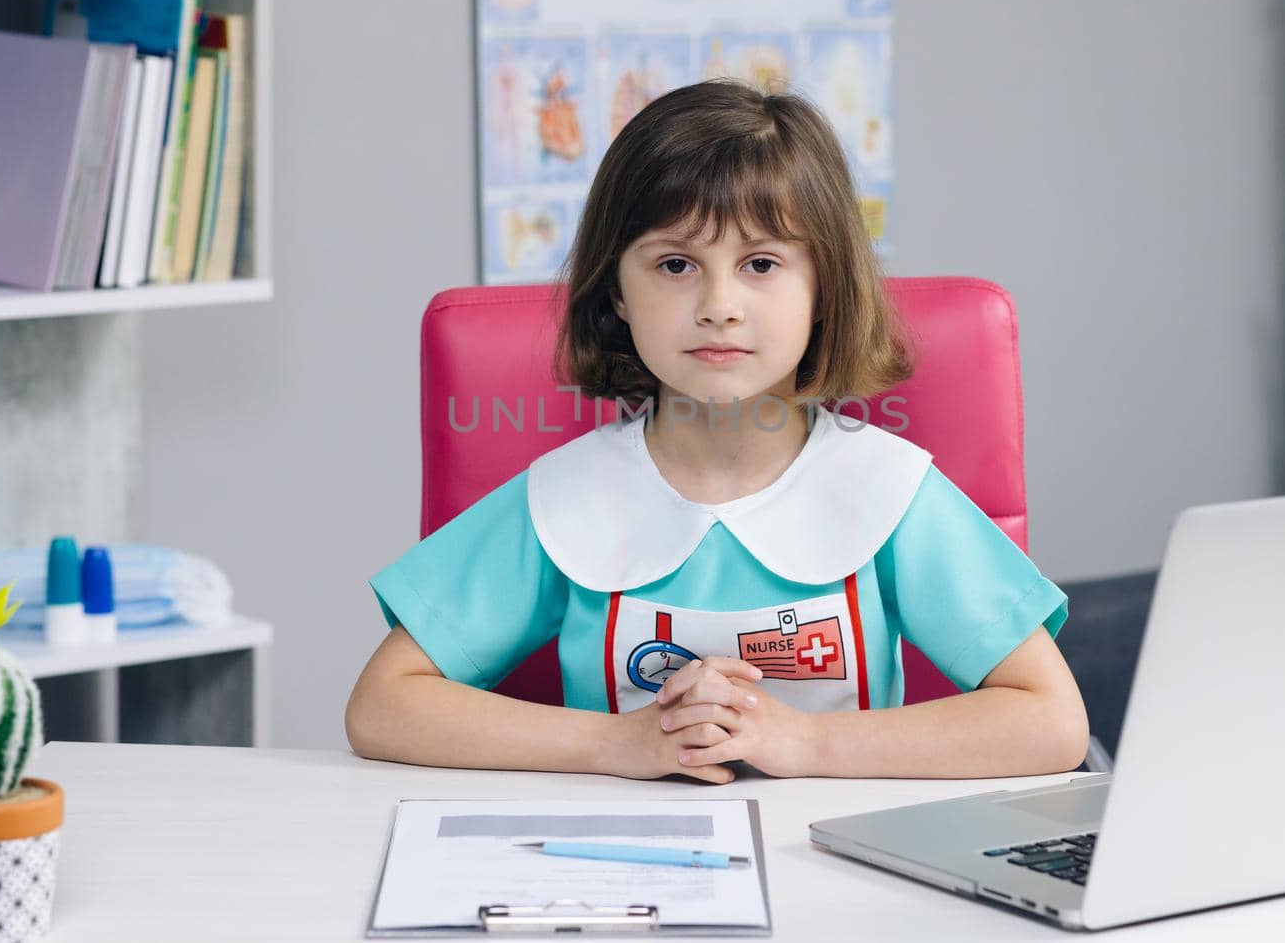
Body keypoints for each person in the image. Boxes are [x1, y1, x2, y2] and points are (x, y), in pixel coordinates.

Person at [346, 79, 1088, 785]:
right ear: (617, 295)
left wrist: (803, 740)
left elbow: (1051, 720)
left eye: (761, 262)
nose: (719, 303)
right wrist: (618, 743)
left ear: (824, 288)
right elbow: (383, 703)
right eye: (675, 264)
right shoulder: (566, 496)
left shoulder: (889, 491)